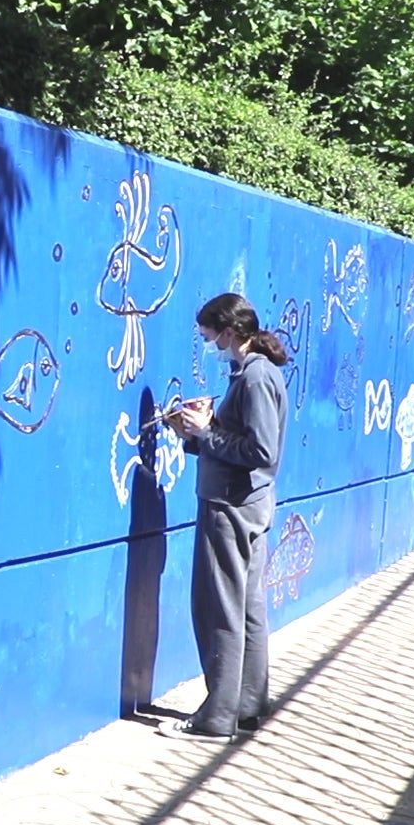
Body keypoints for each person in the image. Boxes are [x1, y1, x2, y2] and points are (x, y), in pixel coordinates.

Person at [162, 293, 291, 742]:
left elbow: (260, 451)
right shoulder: (258, 374)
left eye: (209, 334)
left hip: (230, 505)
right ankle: (248, 707)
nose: (208, 342)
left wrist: (204, 433)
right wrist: (205, 429)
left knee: (219, 607)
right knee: (249, 607)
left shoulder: (255, 378)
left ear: (230, 332)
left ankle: (217, 716)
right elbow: (247, 440)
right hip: (250, 504)